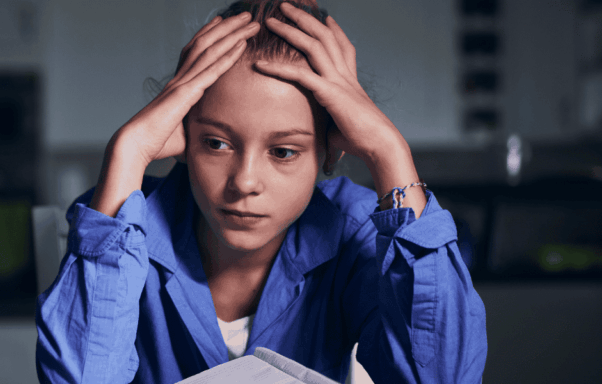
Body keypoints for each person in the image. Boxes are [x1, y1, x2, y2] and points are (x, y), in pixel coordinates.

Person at [36, 0, 488, 382]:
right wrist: (130, 149)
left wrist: (389, 153)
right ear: (181, 139)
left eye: (285, 151)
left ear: (329, 153)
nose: (245, 182)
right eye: (216, 143)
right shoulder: (121, 222)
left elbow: (443, 376)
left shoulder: (352, 232)